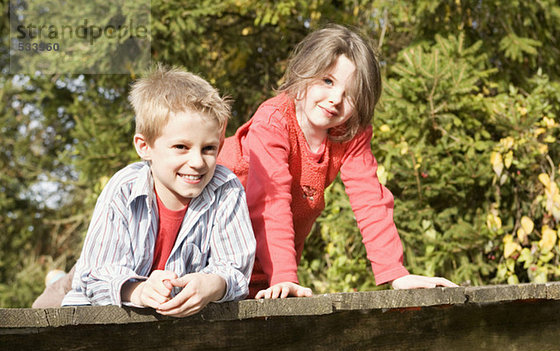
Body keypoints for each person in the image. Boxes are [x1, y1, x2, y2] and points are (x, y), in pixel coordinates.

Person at [218, 24, 457, 299]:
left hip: (270, 264)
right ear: (304, 71)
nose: (335, 99)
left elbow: (369, 199)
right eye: (328, 81)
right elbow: (271, 202)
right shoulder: (274, 122)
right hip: (220, 252)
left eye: (351, 94)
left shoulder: (348, 133)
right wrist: (284, 274)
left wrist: (396, 272)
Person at [33, 65, 256, 317]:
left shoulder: (225, 188)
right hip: (97, 278)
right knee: (44, 311)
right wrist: (137, 291)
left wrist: (215, 284)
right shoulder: (124, 188)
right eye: (181, 147)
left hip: (163, 299)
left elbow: (236, 268)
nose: (197, 161)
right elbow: (94, 276)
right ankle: (56, 279)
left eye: (208, 149)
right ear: (144, 146)